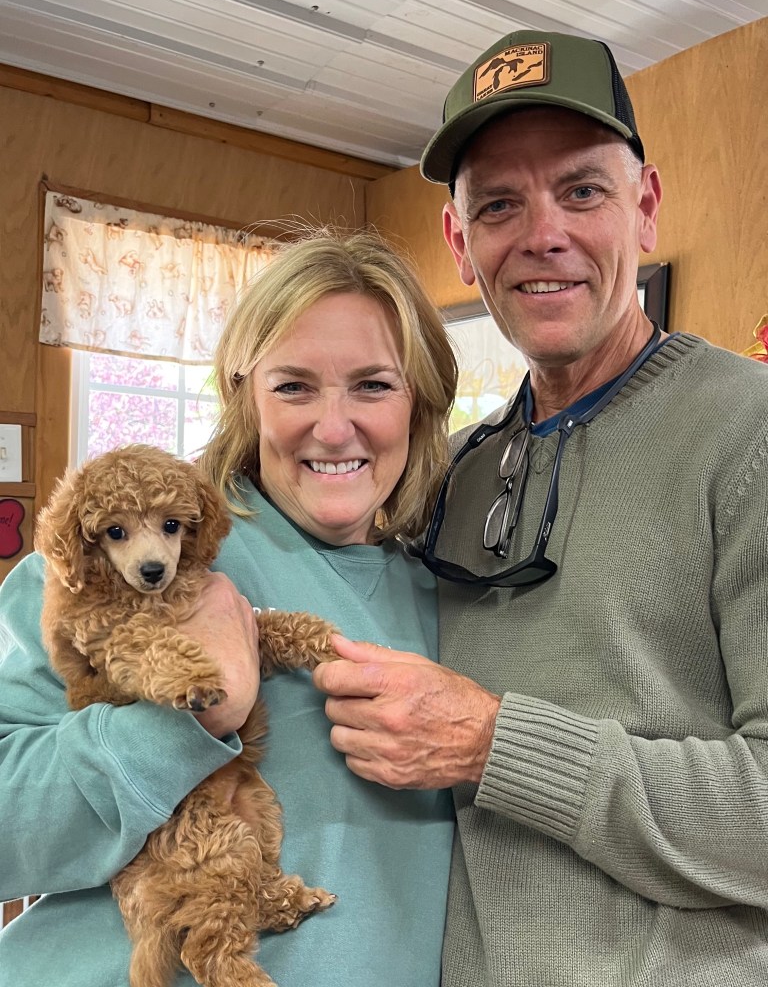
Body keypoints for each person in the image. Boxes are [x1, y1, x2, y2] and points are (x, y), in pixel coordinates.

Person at [312, 30, 768, 986]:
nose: (542, 234)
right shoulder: (450, 471)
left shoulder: (747, 433)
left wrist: (496, 743)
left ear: (646, 208)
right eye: (500, 205)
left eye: (583, 191)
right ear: (460, 244)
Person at [0, 230, 458, 987]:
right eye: (294, 386)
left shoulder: (451, 599)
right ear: (245, 394)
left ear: (422, 402)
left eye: (374, 385)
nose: (333, 426)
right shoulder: (134, 559)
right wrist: (188, 721)